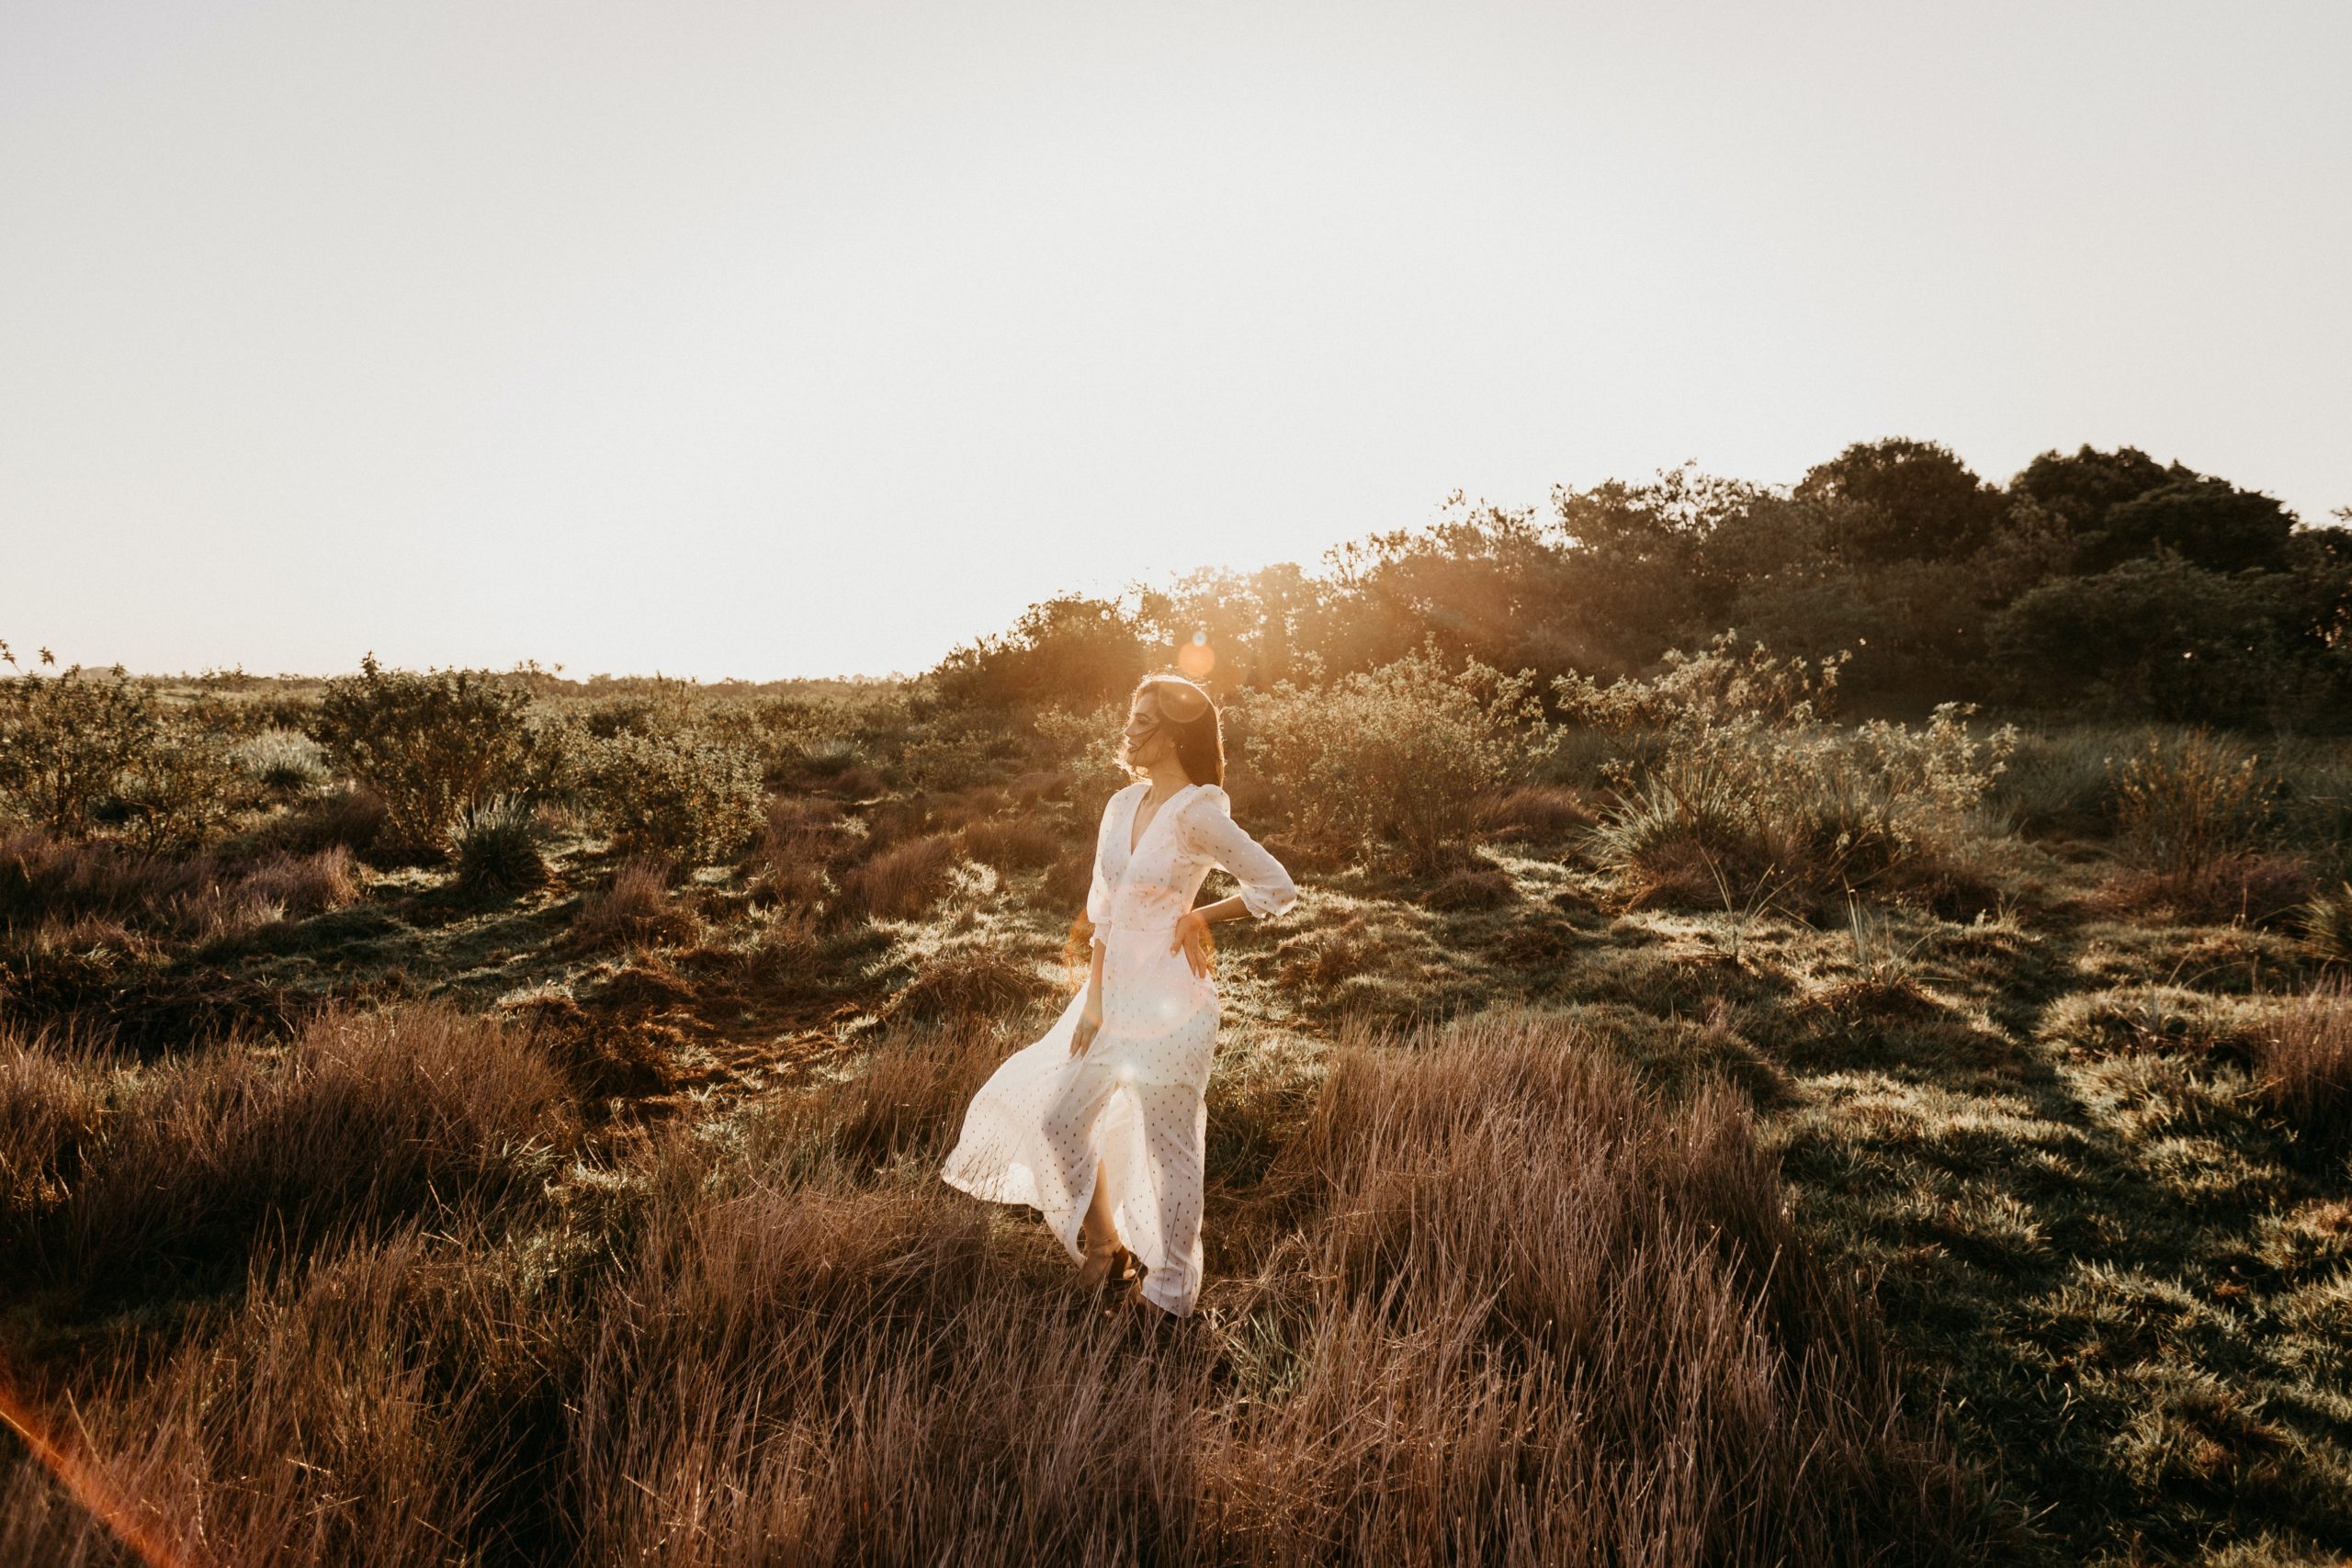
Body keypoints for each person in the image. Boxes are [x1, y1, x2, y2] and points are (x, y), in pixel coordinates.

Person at [939, 672, 1297, 1315]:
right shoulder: (1121, 804)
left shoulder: (1198, 813)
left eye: (1143, 719)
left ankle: (1169, 1297)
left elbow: (1277, 886)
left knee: (1170, 1151)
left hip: (1174, 1007)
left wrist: (1202, 916)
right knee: (1061, 1120)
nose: (1129, 728)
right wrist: (1094, 999)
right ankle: (1107, 1247)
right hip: (1112, 1003)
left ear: (1175, 734)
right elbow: (1102, 910)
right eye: (1130, 715)